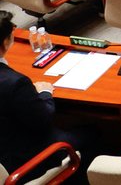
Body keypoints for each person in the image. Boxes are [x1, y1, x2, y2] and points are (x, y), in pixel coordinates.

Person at [0, 10, 83, 180]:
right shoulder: (15, 83)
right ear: (4, 42)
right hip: (20, 157)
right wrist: (44, 93)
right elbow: (42, 120)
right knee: (89, 134)